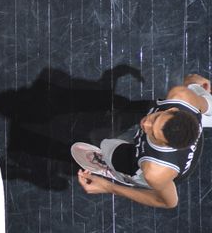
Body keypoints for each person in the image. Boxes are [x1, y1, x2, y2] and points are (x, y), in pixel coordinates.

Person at [75, 74, 211, 208]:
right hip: (189, 126)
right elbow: (207, 103)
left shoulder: (155, 171)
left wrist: (108, 187)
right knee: (192, 83)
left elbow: (169, 202)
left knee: (108, 146)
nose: (145, 124)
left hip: (166, 172)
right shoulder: (181, 96)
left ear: (166, 145)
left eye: (153, 133)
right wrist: (197, 86)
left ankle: (120, 174)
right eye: (155, 118)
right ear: (173, 109)